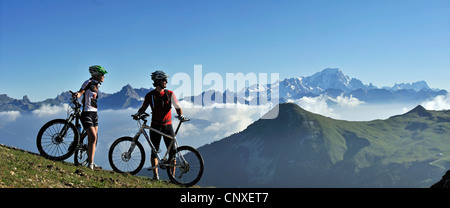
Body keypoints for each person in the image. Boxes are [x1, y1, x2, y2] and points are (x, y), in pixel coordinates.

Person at [135, 70, 185, 180]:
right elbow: (143, 108)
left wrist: (180, 115)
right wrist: (138, 114)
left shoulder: (170, 94)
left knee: (172, 152)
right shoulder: (150, 96)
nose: (166, 81)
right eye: (164, 80)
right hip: (155, 126)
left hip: (168, 126)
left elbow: (177, 106)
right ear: (157, 81)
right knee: (154, 151)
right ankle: (155, 176)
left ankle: (172, 177)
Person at [72, 65, 108, 170]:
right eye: (102, 75)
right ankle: (90, 164)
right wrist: (77, 95)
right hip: (87, 113)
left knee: (94, 139)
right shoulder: (88, 82)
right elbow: (81, 91)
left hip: (94, 114)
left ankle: (90, 161)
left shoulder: (97, 85)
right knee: (93, 137)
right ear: (96, 74)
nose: (104, 77)